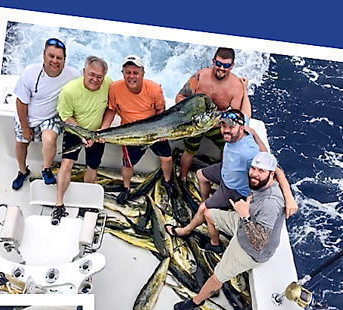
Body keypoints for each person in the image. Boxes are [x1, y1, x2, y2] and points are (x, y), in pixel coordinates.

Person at [166, 110, 298, 248]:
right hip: (226, 170)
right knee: (200, 174)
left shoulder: (249, 152)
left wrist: (289, 198)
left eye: (231, 127)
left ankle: (204, 239)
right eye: (224, 126)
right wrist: (254, 132)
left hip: (234, 188)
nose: (226, 131)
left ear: (241, 128)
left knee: (203, 210)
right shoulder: (242, 123)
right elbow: (245, 109)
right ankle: (205, 199)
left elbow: (275, 169)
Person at [173, 152, 286, 310]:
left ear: (271, 174)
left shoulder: (271, 204)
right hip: (243, 224)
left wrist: (245, 215)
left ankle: (196, 302)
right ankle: (215, 244)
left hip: (251, 248)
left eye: (261, 171)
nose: (254, 174)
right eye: (253, 168)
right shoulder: (262, 183)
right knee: (208, 213)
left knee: (217, 277)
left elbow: (260, 242)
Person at [103, 55, 177, 203]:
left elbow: (161, 112)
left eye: (135, 73)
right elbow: (111, 110)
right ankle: (126, 188)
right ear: (123, 73)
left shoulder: (155, 89)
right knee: (128, 163)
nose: (131, 76)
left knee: (167, 158)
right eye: (128, 72)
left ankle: (168, 182)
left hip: (154, 129)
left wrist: (162, 132)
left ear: (143, 73)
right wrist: (104, 129)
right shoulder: (114, 88)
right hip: (130, 132)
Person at [11, 37, 81, 190]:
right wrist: (25, 127)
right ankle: (22, 171)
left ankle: (46, 169)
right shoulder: (30, 72)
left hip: (50, 117)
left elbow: (88, 86)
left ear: (64, 59)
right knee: (21, 144)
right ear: (44, 56)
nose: (55, 61)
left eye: (59, 58)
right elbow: (21, 102)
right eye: (51, 56)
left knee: (49, 139)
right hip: (27, 116)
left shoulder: (73, 75)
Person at [53, 56, 115, 225]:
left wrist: (104, 128)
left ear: (104, 76)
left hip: (97, 133)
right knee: (66, 164)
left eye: (99, 77)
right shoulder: (69, 91)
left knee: (92, 166)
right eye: (91, 74)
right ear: (84, 72)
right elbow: (65, 116)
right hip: (75, 130)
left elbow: (111, 108)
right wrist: (82, 134)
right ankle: (59, 203)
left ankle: (87, 202)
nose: (95, 79)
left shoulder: (109, 84)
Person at [175, 48, 252, 181]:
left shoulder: (236, 86)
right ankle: (182, 178)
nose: (221, 68)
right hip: (195, 124)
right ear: (213, 62)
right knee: (189, 151)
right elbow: (181, 96)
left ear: (232, 66)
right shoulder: (200, 76)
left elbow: (235, 115)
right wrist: (187, 116)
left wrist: (218, 122)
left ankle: (223, 179)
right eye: (218, 63)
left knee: (226, 149)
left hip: (217, 125)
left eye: (226, 65)